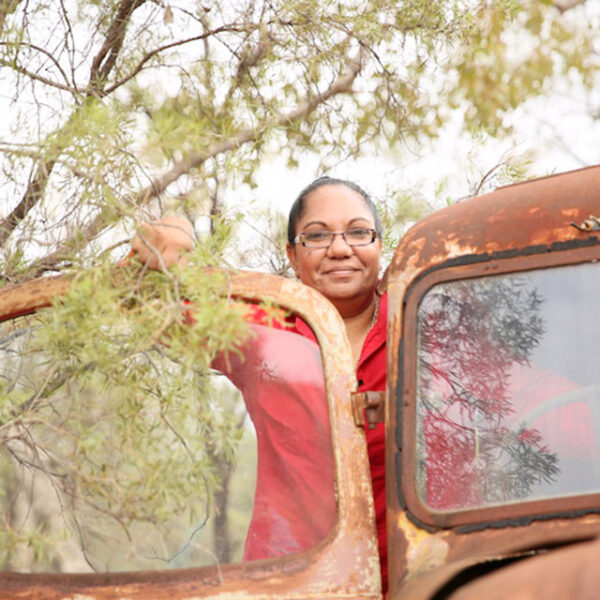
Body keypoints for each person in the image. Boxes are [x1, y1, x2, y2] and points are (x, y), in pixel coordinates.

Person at [130, 176, 388, 592]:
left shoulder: (423, 316)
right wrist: (169, 238)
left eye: (358, 232)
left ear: (379, 244)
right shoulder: (267, 332)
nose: (340, 249)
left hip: (425, 570)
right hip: (295, 578)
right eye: (317, 236)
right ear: (292, 255)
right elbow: (153, 305)